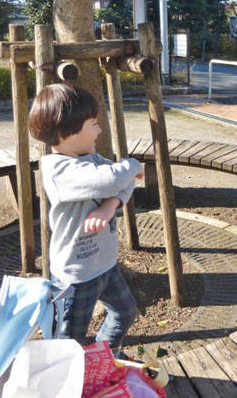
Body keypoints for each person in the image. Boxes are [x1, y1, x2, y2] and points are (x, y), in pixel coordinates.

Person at [28, 83, 143, 350]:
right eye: (93, 123)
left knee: (125, 313)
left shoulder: (92, 157)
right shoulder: (58, 169)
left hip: (105, 265)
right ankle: (66, 379)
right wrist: (134, 165)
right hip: (75, 277)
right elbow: (116, 177)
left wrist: (108, 207)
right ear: (67, 132)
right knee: (67, 342)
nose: (99, 130)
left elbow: (123, 184)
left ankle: (102, 357)